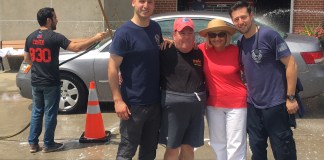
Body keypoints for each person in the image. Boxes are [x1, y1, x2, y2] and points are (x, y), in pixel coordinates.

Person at [24, 7, 107, 153]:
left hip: (36, 81)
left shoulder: (30, 37)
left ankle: (33, 143)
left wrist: (39, 66)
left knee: (37, 111)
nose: (57, 20)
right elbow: (76, 48)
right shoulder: (54, 37)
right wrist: (96, 38)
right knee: (50, 113)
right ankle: (48, 144)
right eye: (55, 17)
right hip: (50, 82)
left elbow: (27, 59)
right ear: (48, 20)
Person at [229, 1, 298, 159]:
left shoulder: (269, 35)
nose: (240, 22)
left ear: (251, 15)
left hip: (275, 104)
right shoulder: (240, 41)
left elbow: (291, 64)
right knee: (257, 148)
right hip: (253, 105)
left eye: (243, 17)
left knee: (283, 148)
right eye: (236, 19)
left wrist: (291, 97)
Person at [107, 0, 163, 159]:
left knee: (149, 150)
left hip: (155, 102)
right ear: (133, 3)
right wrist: (118, 100)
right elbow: (112, 67)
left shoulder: (155, 28)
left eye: (150, 2)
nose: (146, 6)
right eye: (141, 1)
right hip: (133, 105)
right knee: (127, 151)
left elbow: (157, 51)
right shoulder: (124, 32)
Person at [198, 19, 247, 160]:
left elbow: (251, 70)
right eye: (213, 35)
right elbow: (183, 46)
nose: (217, 38)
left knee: (236, 143)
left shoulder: (237, 51)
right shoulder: (202, 50)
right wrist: (167, 41)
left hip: (237, 103)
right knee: (217, 142)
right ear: (208, 37)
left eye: (221, 34)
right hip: (213, 103)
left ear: (227, 36)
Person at [159, 17, 206, 160]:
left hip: (196, 108)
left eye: (189, 32)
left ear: (194, 34)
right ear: (174, 34)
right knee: (172, 148)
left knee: (189, 147)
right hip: (173, 108)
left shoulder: (200, 52)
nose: (186, 36)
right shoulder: (164, 50)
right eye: (182, 33)